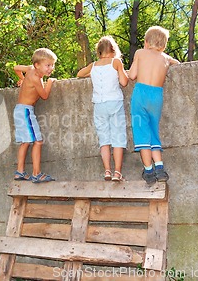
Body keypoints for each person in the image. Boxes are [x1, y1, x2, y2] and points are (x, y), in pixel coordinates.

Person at [128, 26, 180, 184]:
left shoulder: (140, 53)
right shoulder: (165, 58)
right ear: (164, 45)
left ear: (145, 42)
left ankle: (149, 170)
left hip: (141, 94)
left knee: (142, 132)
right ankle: (160, 168)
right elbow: (177, 63)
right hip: (157, 96)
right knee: (153, 131)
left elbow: (132, 75)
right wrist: (168, 59)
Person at [77, 36, 129, 182]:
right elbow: (124, 82)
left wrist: (92, 72)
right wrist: (123, 72)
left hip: (99, 105)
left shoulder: (94, 65)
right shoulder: (116, 62)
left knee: (104, 139)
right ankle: (117, 172)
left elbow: (79, 74)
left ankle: (107, 170)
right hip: (114, 103)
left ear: (98, 52)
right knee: (118, 137)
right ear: (113, 50)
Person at [12, 48, 57, 183]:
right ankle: (36, 173)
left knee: (26, 142)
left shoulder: (30, 69)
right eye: (48, 65)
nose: (51, 68)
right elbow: (44, 95)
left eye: (52, 65)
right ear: (37, 65)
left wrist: (22, 79)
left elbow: (15, 68)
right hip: (26, 112)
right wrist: (50, 83)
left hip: (19, 110)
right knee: (37, 141)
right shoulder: (36, 78)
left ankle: (20, 172)